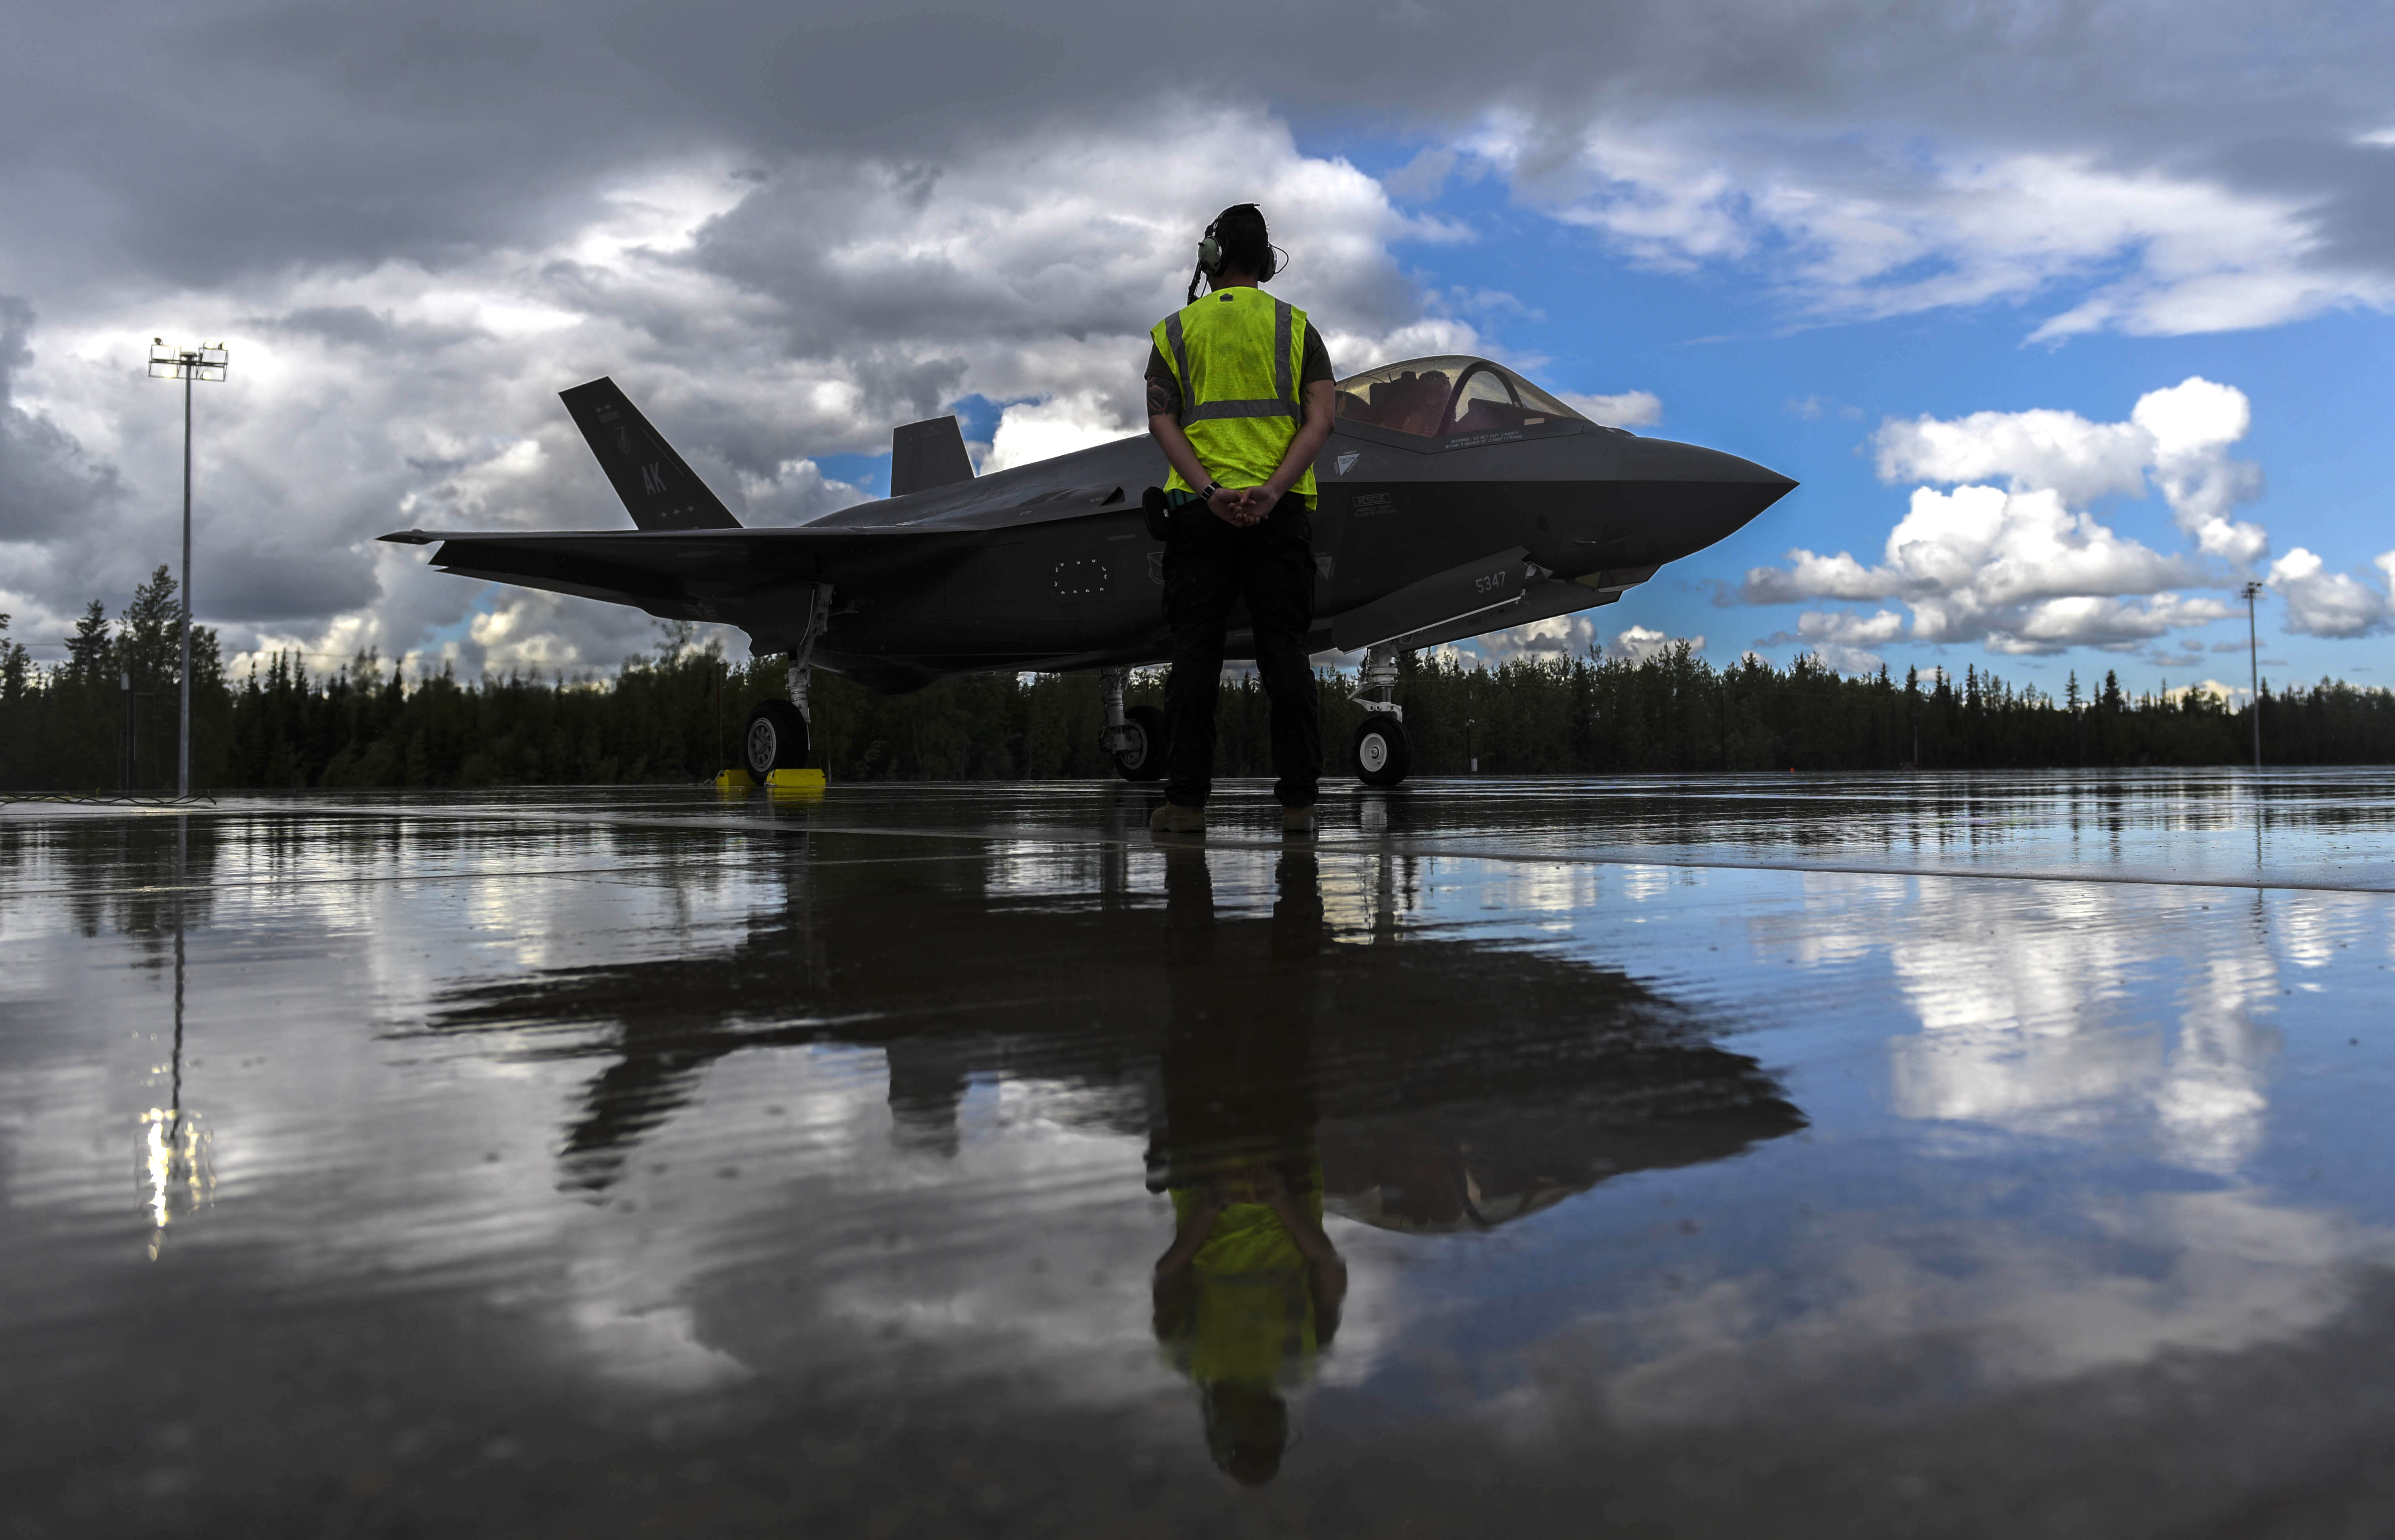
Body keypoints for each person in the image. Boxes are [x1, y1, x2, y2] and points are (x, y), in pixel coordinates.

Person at [1144, 204, 1338, 835]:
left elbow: (1161, 420)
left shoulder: (1174, 331)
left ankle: (1185, 804)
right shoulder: (1297, 329)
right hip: (1278, 515)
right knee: (1286, 657)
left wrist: (1209, 492)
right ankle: (1299, 806)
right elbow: (1321, 422)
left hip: (1202, 516)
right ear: (1266, 261)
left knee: (1194, 658)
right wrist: (1274, 491)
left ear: (1211, 257)